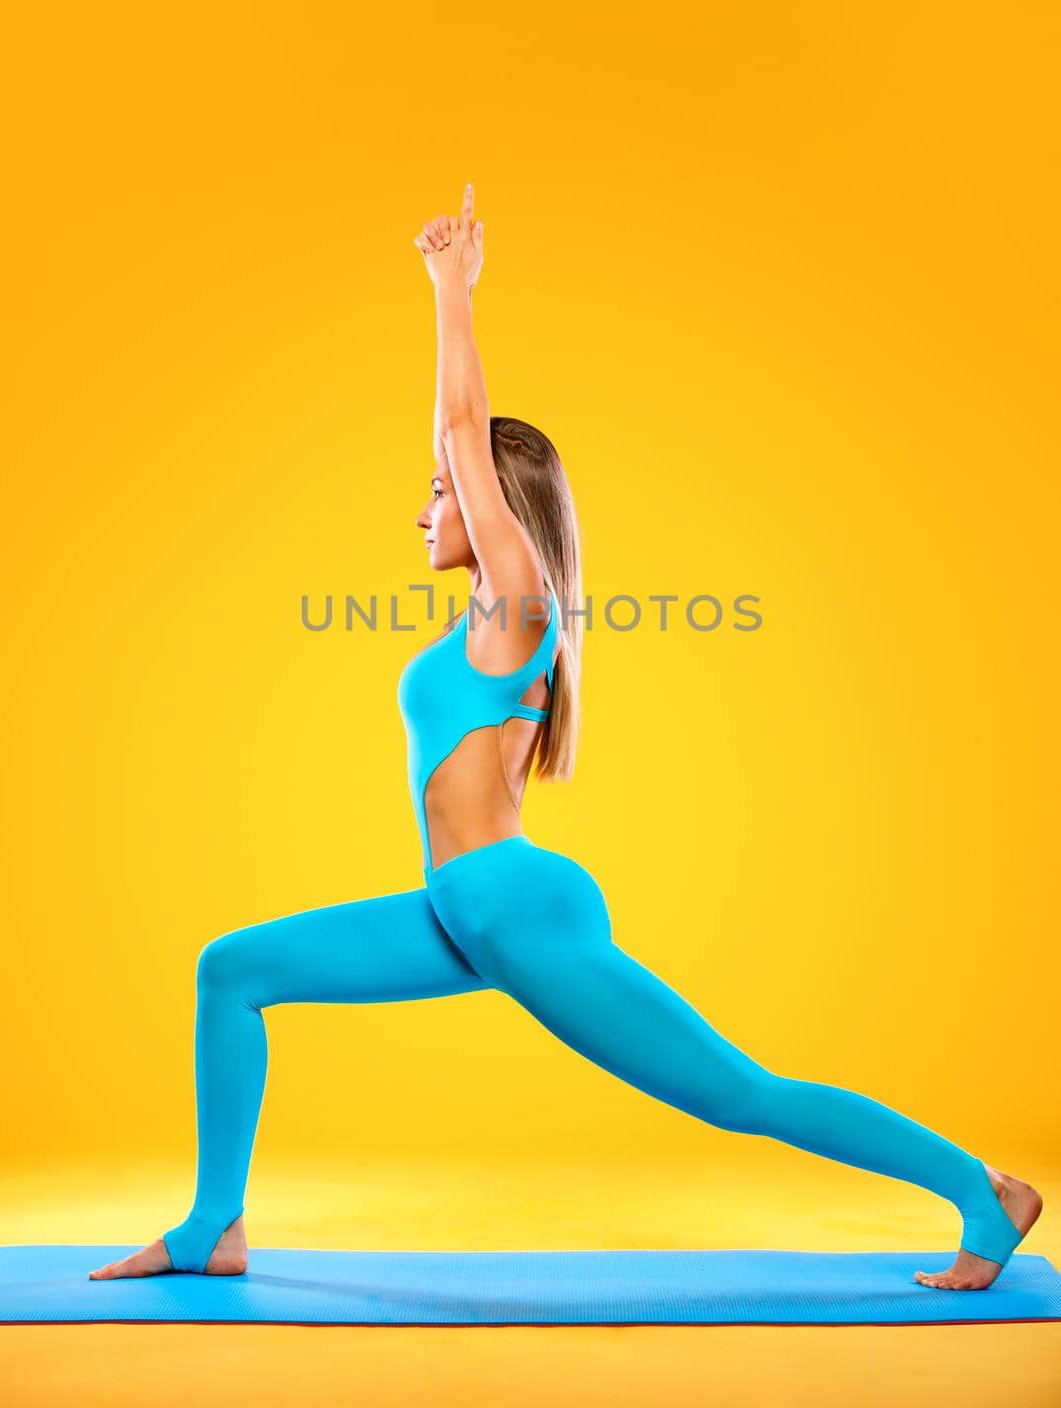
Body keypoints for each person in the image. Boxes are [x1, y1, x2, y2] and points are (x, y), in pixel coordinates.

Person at [91, 183, 1041, 1292]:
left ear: (499, 512)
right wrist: (452, 360)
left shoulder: (520, 605)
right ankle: (214, 1225)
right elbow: (453, 446)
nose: (422, 511)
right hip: (461, 910)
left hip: (511, 905)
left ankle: (986, 1192)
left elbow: (461, 433)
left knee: (738, 1095)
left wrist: (451, 291)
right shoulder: (479, 630)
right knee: (233, 969)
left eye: (439, 495)